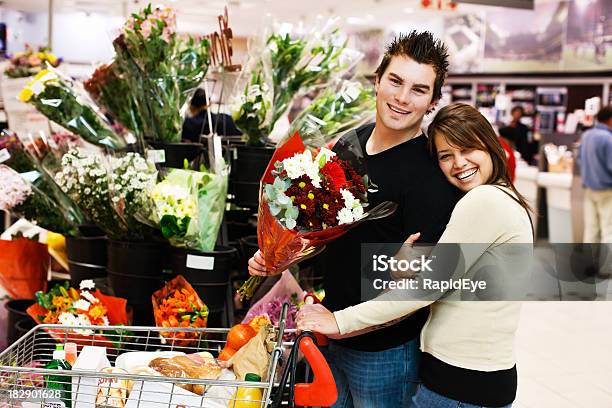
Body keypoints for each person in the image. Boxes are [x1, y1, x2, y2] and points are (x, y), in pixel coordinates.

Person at [248, 32, 462, 407]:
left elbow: (420, 288)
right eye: (395, 81)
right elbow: (325, 230)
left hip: (385, 352)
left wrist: (344, 324)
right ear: (377, 81)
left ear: (432, 102)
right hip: (332, 333)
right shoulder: (350, 143)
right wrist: (278, 254)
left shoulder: (430, 175)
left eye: (418, 89)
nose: (401, 98)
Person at [297, 103, 534, 408]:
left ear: (490, 146)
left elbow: (426, 289)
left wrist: (339, 321)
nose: (459, 163)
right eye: (446, 156)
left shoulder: (484, 200)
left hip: (461, 386)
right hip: (474, 379)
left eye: (468, 149)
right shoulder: (505, 198)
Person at [579, 105, 612, 243]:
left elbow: (579, 159)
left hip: (589, 189)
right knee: (608, 230)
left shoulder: (586, 135)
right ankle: (608, 265)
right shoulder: (608, 138)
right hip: (607, 191)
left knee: (591, 229)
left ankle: (589, 264)